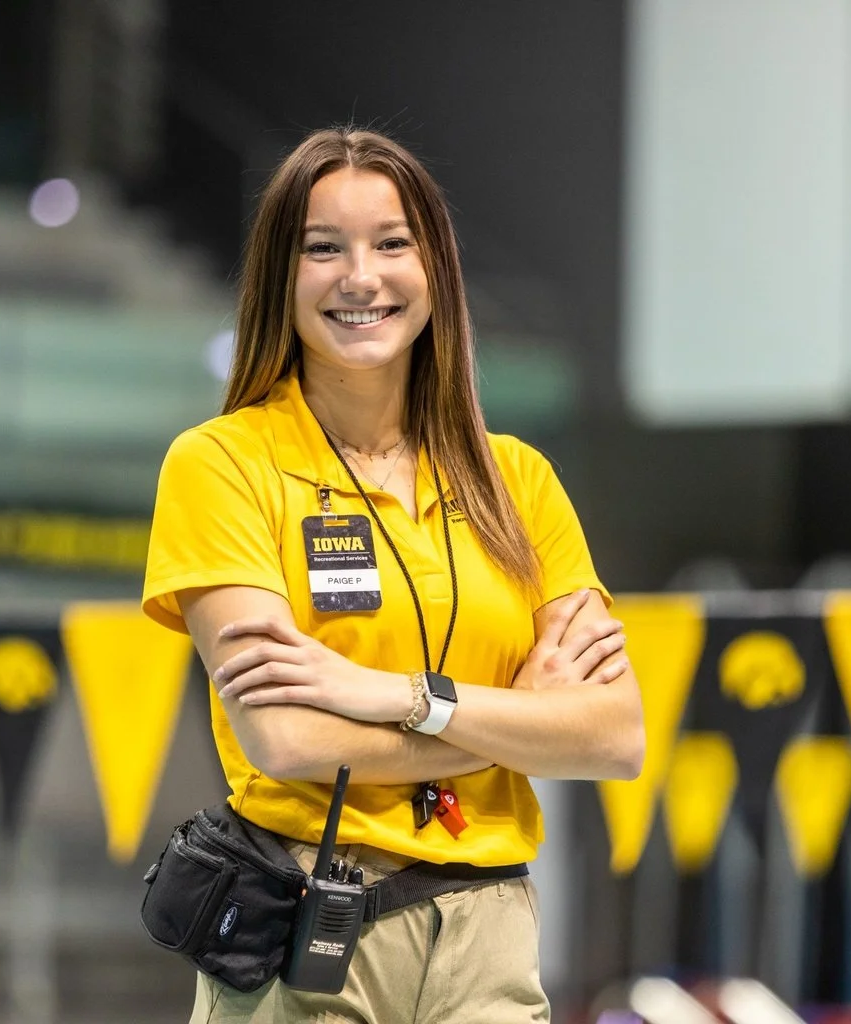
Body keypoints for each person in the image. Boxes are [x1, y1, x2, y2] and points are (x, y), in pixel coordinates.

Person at [142, 126, 645, 1024]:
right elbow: (287, 741)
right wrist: (520, 719)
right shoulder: (222, 464)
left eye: (391, 243)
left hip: (491, 934)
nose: (360, 276)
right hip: (309, 929)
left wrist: (393, 696)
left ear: (435, 269)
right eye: (322, 248)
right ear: (278, 279)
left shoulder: (517, 481)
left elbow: (613, 735)